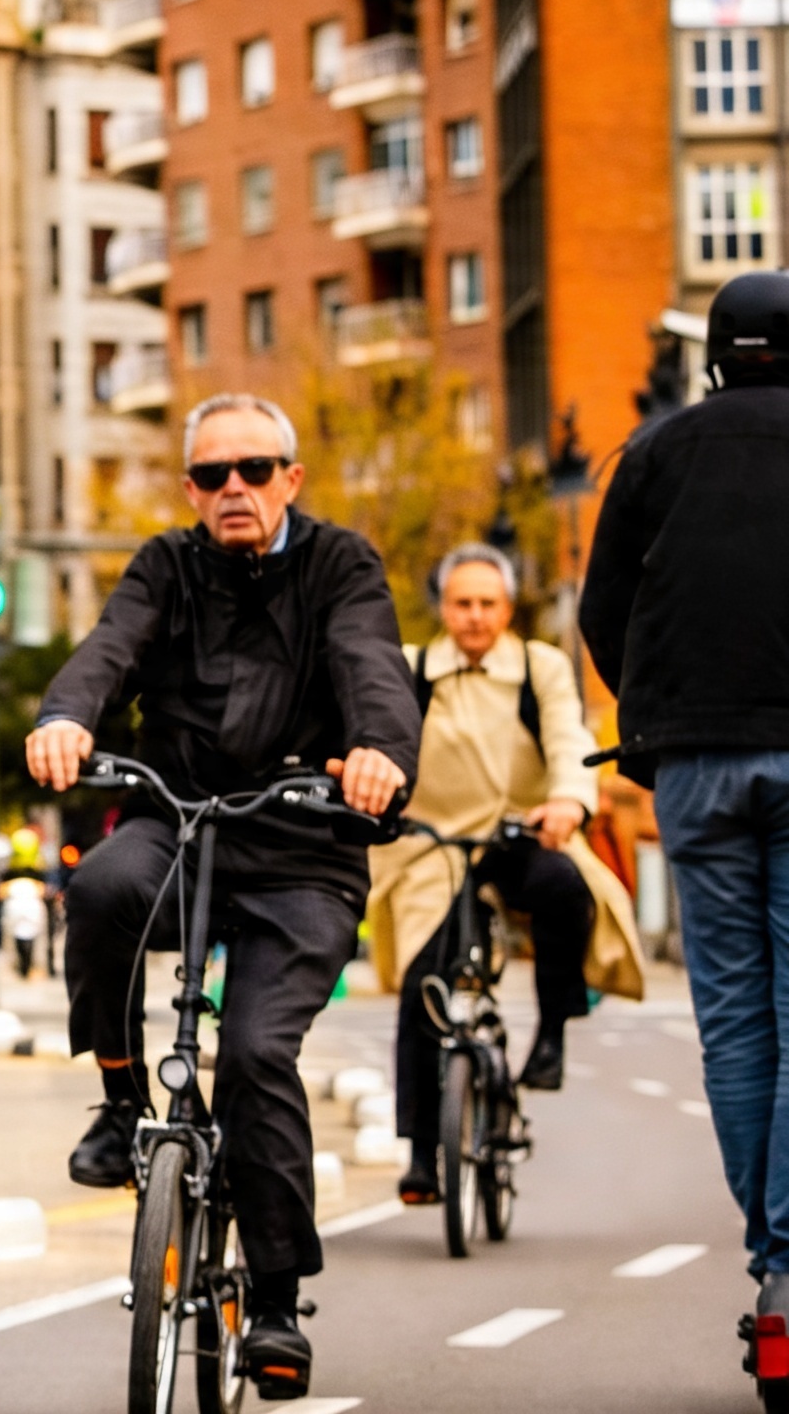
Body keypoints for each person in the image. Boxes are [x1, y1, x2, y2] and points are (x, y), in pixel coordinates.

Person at [26, 392, 418, 1400]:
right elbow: (108, 649)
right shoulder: (166, 564)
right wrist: (67, 718)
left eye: (253, 471)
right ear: (191, 488)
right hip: (178, 816)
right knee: (104, 885)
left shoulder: (342, 564)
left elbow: (370, 663)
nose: (232, 490)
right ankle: (119, 1103)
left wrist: (377, 750)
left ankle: (278, 1302)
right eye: (211, 476)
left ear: (290, 477)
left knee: (252, 1054)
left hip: (300, 839)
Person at [581, 267, 789, 1339]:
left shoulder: (652, 454)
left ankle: (774, 1262)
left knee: (736, 1023)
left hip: (697, 768)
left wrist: (652, 710)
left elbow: (601, 607)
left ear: (714, 354)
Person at [369, 544, 643, 1205]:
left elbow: (567, 738)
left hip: (522, 830)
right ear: (443, 608)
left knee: (564, 888)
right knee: (422, 986)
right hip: (433, 847)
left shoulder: (537, 667)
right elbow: (380, 741)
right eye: (462, 604)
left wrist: (567, 802)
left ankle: (552, 1030)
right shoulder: (412, 671)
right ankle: (419, 1154)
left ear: (507, 608)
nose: (474, 617)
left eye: (487, 604)